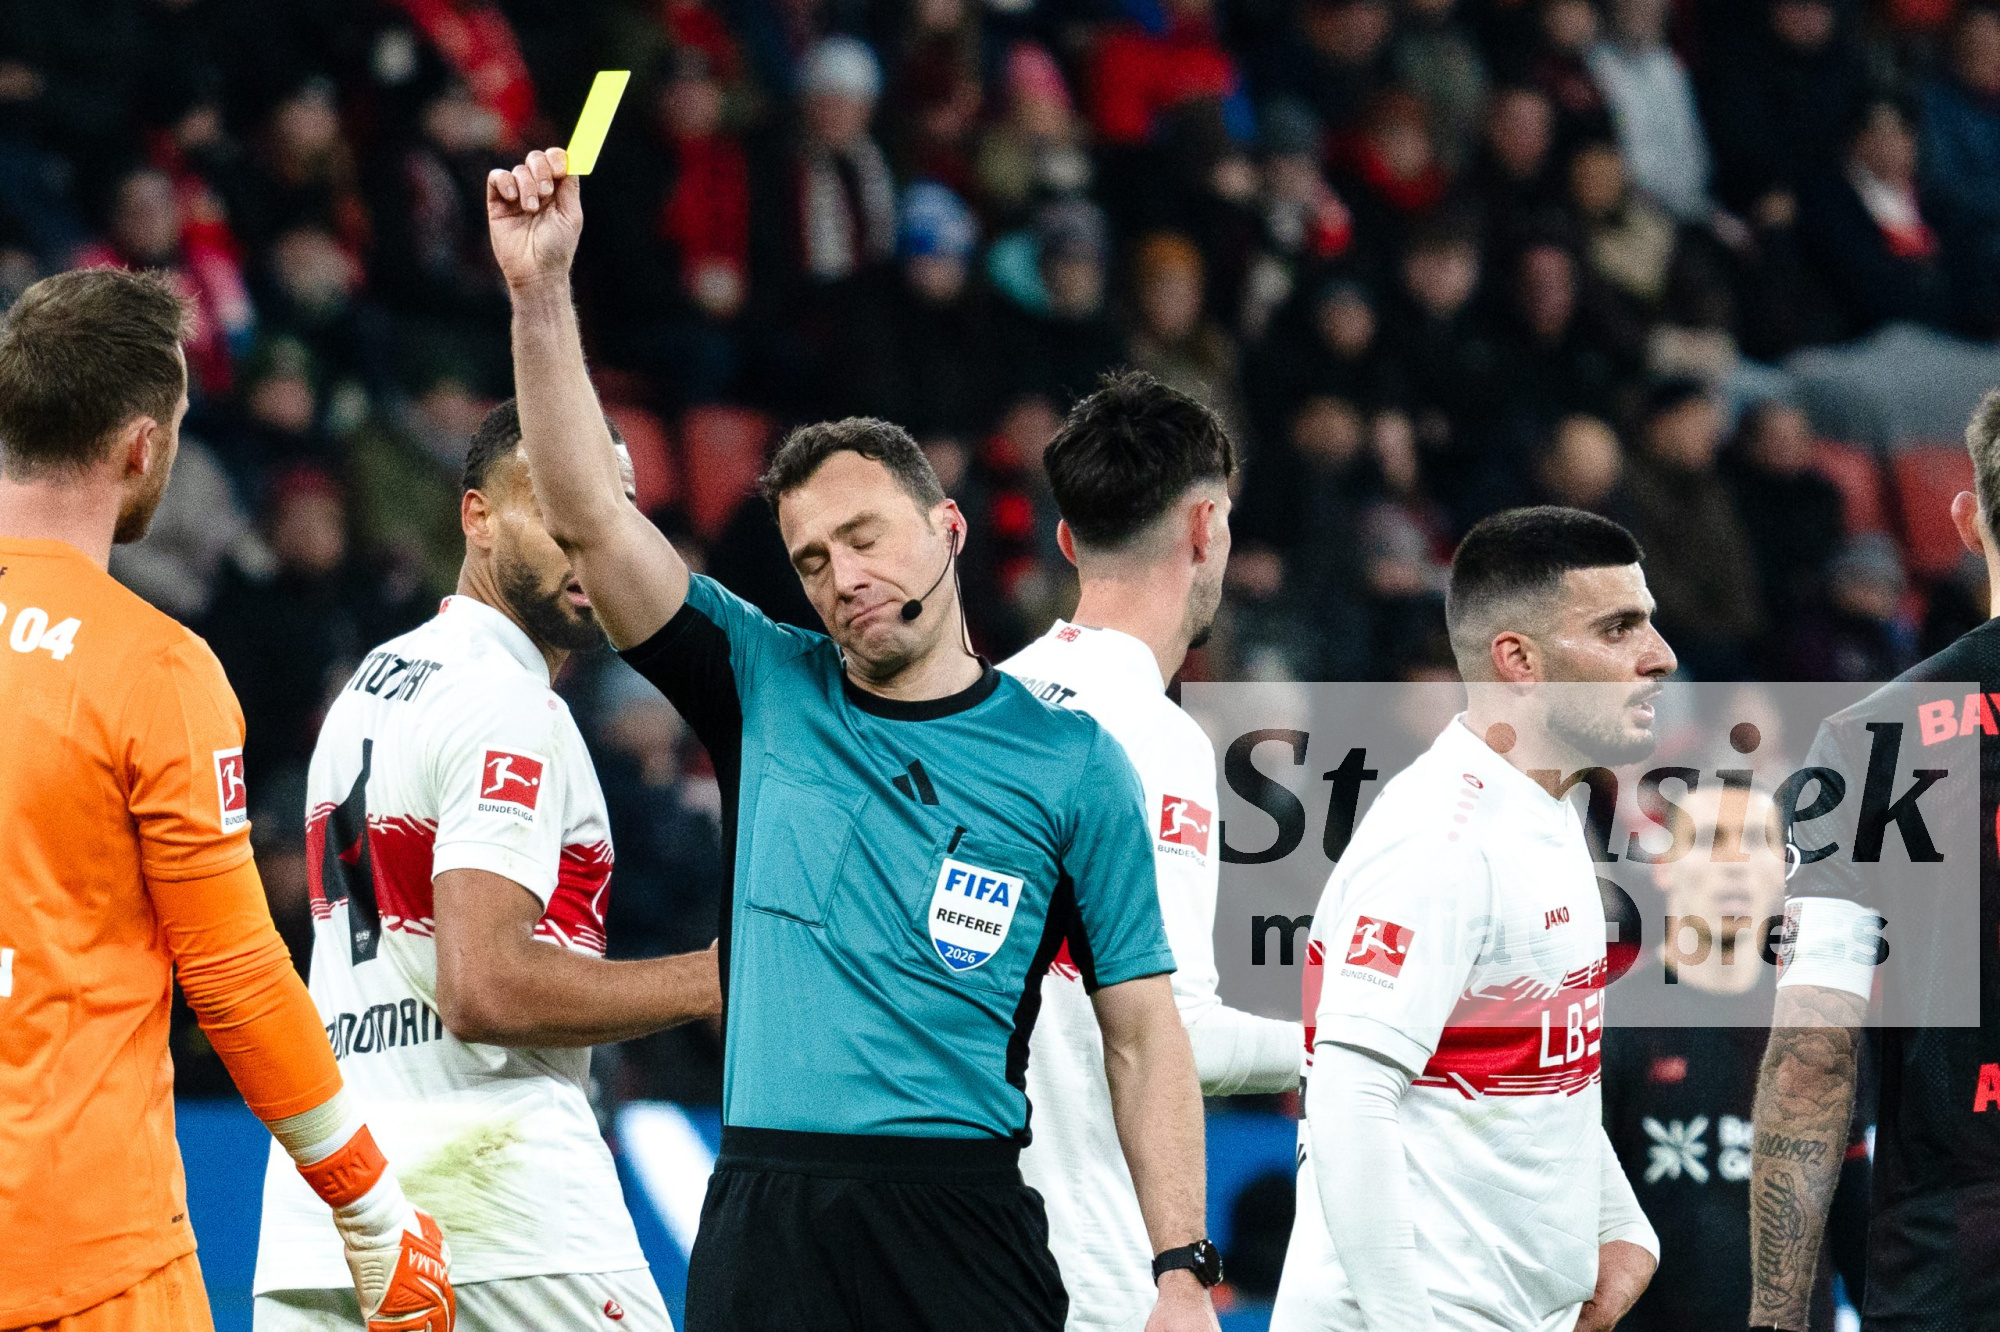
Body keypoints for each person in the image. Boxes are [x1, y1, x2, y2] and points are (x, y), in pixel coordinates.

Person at [483, 145, 1217, 1332]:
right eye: (813, 559)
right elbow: (587, 516)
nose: (842, 577)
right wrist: (539, 292)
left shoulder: (1072, 762)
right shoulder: (762, 683)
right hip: (768, 1219)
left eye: (866, 538)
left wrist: (1179, 1268)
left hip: (963, 1222)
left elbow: (1142, 1032)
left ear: (948, 528)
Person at [0, 267, 454, 1331]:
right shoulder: (152, 669)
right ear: (142, 447)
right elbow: (235, 973)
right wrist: (370, 1208)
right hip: (80, 1255)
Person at [250, 399, 721, 1329]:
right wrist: (718, 978)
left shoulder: (373, 685)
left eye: (612, 509)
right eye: (558, 508)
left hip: (330, 1216)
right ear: (477, 517)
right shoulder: (508, 703)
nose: (590, 538)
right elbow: (487, 987)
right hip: (499, 1214)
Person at [1272, 506, 1665, 1332]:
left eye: (1648, 622)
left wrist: (1620, 1224)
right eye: (1619, 628)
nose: (1658, 655)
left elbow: (1531, 1068)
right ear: (1519, 660)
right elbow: (1348, 1099)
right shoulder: (1440, 838)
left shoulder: (1549, 810)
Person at [1002, 372, 1304, 1332]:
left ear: (1067, 541)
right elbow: (1177, 1034)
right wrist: (1373, 1036)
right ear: (1206, 528)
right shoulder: (1154, 739)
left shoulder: (976, 705)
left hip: (958, 1241)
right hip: (1086, 1260)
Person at [1747, 389, 2000, 1331]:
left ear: (1967, 521)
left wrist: (1778, 1317)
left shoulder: (1868, 741)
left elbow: (1813, 1055)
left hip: (1955, 1256)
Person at [1600, 787, 1869, 1331]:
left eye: (1755, 840)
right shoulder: (1611, 1021)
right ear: (1664, 867)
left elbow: (1859, 1229)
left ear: (1783, 870)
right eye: (1708, 840)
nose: (1734, 863)